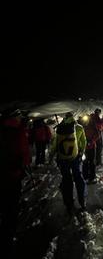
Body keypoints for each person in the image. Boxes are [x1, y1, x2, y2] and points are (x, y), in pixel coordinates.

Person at [0, 109, 31, 257]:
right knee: (11, 203)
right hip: (13, 172)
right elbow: (24, 150)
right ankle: (8, 235)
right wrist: (25, 164)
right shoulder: (19, 132)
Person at [49, 112, 87, 213]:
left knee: (66, 179)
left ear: (65, 118)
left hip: (63, 158)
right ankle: (82, 200)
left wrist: (51, 155)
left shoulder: (60, 128)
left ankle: (68, 203)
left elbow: (55, 144)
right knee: (78, 177)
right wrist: (81, 153)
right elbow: (83, 142)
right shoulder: (79, 128)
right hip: (75, 157)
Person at [83, 114, 100, 183]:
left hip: (91, 147)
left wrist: (91, 141)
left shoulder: (92, 126)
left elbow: (97, 135)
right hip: (86, 147)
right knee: (86, 161)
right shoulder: (84, 126)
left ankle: (91, 176)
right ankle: (86, 176)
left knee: (90, 162)